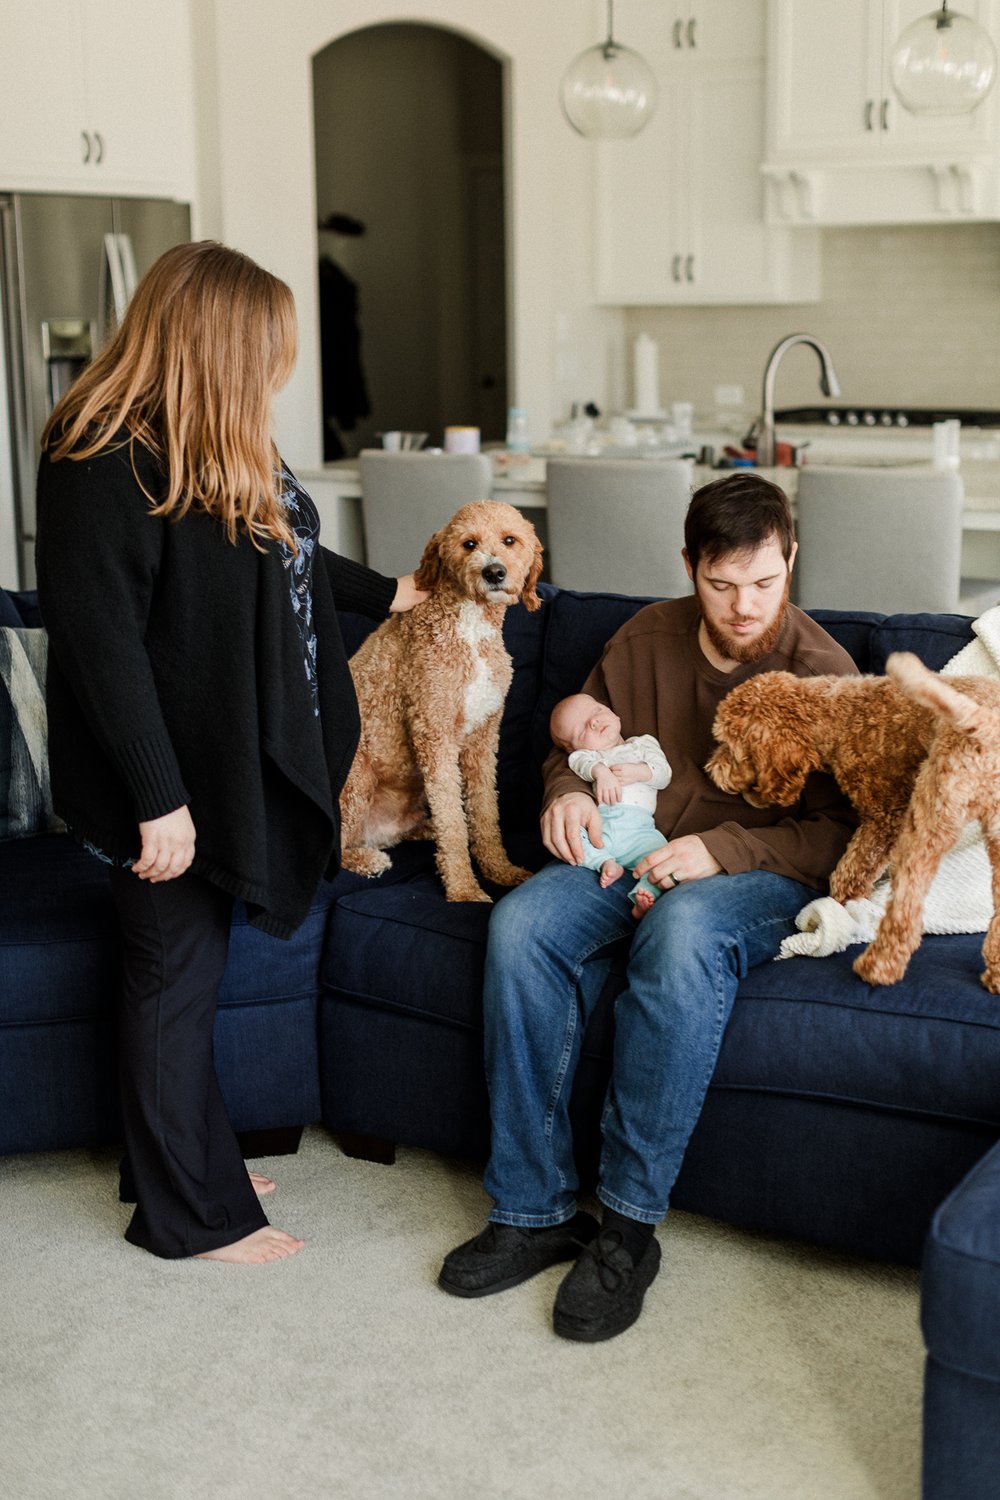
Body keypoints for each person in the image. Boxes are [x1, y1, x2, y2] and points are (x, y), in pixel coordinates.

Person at [35, 241, 426, 1264]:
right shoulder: (98, 453)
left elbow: (284, 544)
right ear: (214, 344)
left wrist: (392, 597)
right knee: (172, 974)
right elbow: (99, 643)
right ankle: (189, 1214)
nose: (278, 372)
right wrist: (156, 800)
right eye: (267, 351)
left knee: (186, 973)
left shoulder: (213, 439)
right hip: (160, 775)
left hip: (217, 763)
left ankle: (171, 1157)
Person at [439, 472, 858, 1339]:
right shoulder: (645, 636)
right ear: (689, 566)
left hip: (759, 874)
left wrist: (724, 851)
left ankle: (628, 1227)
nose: (745, 607)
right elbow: (584, 739)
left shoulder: (824, 673)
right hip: (629, 853)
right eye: (721, 584)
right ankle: (533, 1210)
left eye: (765, 583)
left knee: (682, 933)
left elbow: (843, 835)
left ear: (791, 561)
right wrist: (565, 794)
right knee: (520, 927)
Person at [548, 692, 671, 915]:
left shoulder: (642, 745)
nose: (594, 722)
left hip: (640, 831)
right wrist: (601, 772)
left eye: (597, 712)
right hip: (600, 828)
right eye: (583, 729)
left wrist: (640, 771)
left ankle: (644, 895)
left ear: (615, 715)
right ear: (573, 748)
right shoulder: (589, 757)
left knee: (661, 857)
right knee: (572, 833)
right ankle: (604, 863)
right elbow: (579, 762)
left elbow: (664, 774)